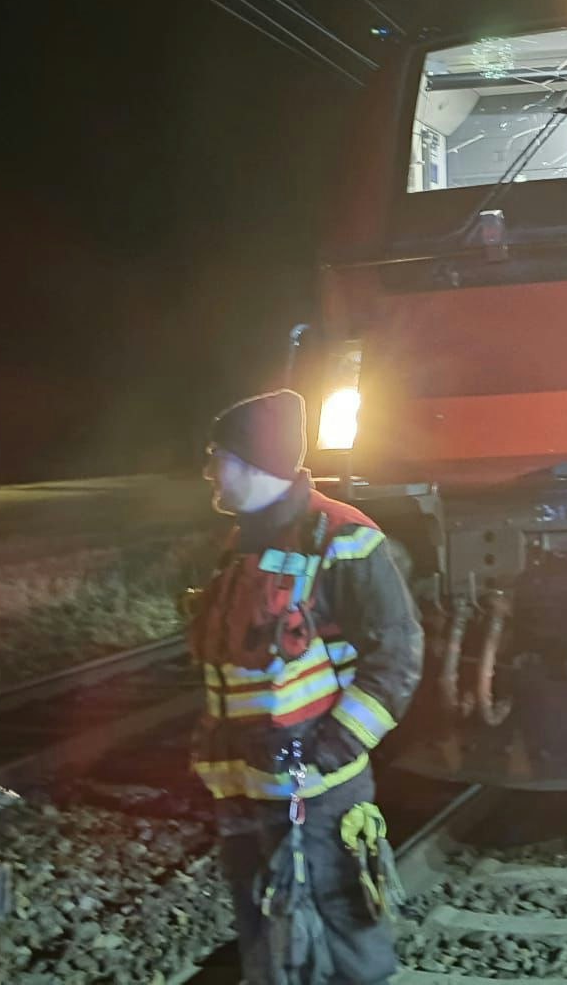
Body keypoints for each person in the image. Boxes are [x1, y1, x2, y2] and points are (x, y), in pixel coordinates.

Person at [189, 389, 423, 984]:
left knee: (345, 926)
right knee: (268, 929)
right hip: (244, 785)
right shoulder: (239, 544)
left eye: (218, 455)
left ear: (253, 461)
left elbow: (396, 656)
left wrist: (335, 747)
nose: (209, 469)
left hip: (319, 790)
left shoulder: (343, 537)